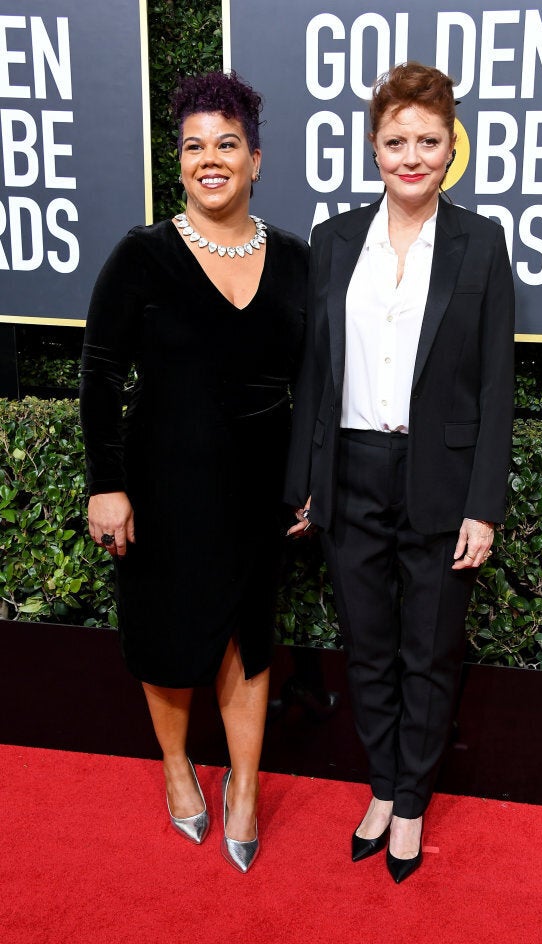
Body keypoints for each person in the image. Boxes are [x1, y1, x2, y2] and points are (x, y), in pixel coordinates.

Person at [285, 62, 514, 883]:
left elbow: (495, 383)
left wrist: (483, 505)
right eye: (395, 141)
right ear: (372, 147)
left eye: (428, 141)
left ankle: (412, 801)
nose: (411, 156)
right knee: (369, 645)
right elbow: (317, 368)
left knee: (430, 648)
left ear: (451, 148)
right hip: (349, 469)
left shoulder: (481, 241)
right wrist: (306, 477)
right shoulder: (335, 239)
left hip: (439, 479)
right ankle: (380, 785)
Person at [80, 70, 307, 873]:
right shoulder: (141, 255)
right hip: (162, 486)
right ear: (178, 161)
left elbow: (314, 382)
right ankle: (179, 771)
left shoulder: (295, 260)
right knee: (168, 637)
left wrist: (306, 475)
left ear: (255, 160)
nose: (210, 159)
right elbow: (100, 373)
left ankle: (244, 786)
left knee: (248, 640)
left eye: (227, 145)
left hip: (259, 488)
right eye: (193, 146)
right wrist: (106, 484)